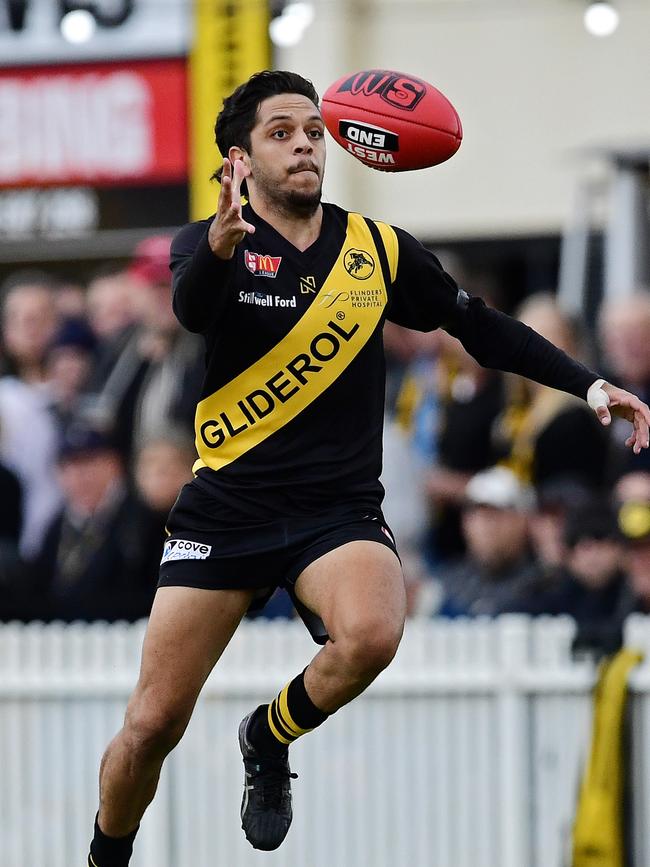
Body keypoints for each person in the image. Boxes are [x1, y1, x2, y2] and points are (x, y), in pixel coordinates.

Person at [86, 70, 650, 867]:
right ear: (238, 160)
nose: (305, 144)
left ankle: (265, 732)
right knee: (150, 725)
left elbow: (479, 327)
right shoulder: (205, 244)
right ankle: (105, 854)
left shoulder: (378, 251)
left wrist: (588, 382)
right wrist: (217, 247)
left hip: (335, 511)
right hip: (227, 507)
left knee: (374, 633)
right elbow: (190, 310)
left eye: (314, 130)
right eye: (281, 132)